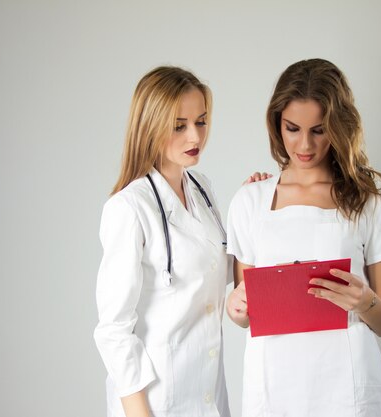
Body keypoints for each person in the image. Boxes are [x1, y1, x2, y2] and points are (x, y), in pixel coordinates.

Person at [225, 59, 381, 417]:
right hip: (273, 387)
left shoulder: (371, 198)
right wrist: (235, 307)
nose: (305, 144)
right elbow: (246, 314)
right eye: (292, 128)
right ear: (276, 123)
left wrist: (364, 300)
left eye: (319, 130)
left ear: (339, 128)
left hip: (347, 388)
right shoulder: (250, 201)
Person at [94, 66, 269, 417]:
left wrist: (253, 208)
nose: (195, 137)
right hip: (155, 401)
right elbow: (113, 329)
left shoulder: (202, 189)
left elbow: (217, 274)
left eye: (201, 122)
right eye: (179, 125)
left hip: (207, 395)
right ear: (151, 126)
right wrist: (139, 412)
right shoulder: (128, 208)